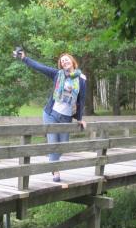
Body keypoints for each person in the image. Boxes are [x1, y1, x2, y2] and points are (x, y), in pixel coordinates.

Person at [16, 50, 87, 182]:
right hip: (51, 114)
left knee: (63, 145)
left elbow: (81, 100)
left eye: (67, 59)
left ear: (72, 62)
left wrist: (80, 119)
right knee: (53, 144)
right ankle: (55, 170)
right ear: (61, 64)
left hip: (66, 117)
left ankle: (51, 160)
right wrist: (25, 59)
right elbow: (40, 67)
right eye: (62, 61)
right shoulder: (57, 74)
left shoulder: (81, 79)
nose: (64, 61)